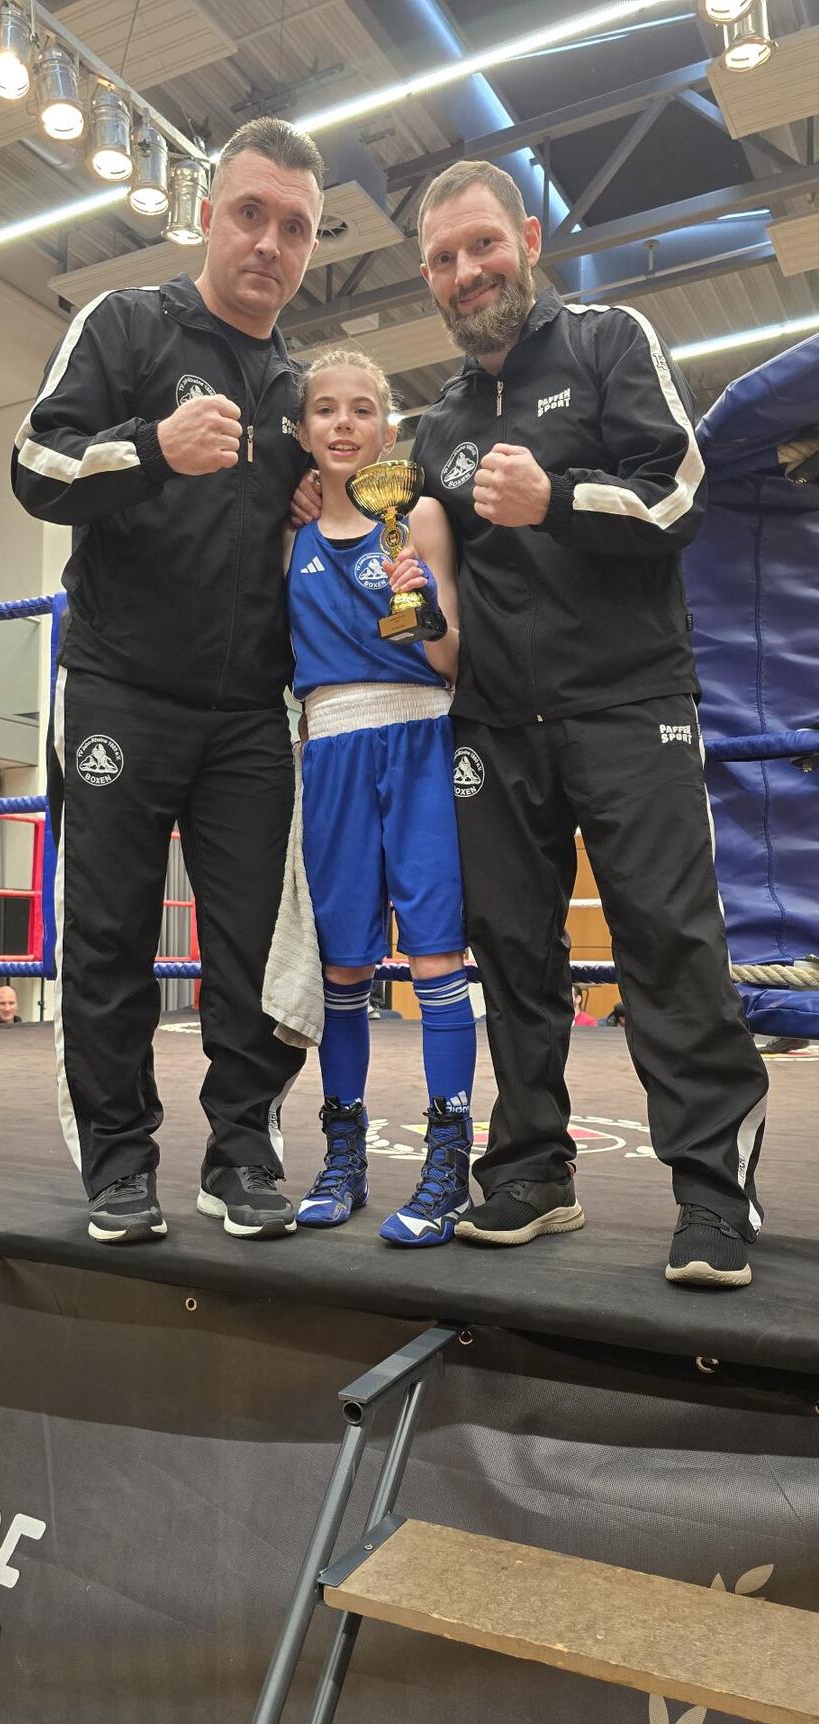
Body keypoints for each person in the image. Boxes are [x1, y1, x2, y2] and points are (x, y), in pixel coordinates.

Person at [408, 159, 769, 1287]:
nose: (466, 272)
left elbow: (679, 496)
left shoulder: (611, 341)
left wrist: (555, 498)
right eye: (442, 260)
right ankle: (531, 1171)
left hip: (627, 700)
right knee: (513, 952)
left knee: (667, 942)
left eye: (481, 244)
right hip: (492, 721)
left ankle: (712, 1193)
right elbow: (437, 576)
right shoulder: (439, 422)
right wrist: (409, 591)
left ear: (527, 238)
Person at [11, 117, 326, 1247]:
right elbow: (35, 465)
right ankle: (118, 1160)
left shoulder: (300, 389)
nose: (269, 243)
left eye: (295, 227)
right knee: (108, 936)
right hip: (119, 687)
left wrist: (320, 502)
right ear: (205, 214)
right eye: (250, 214)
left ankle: (241, 1154)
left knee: (249, 947)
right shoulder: (127, 325)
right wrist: (151, 445)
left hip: (250, 712)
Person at [288, 347, 477, 1246]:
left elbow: (450, 657)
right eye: (325, 409)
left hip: (419, 737)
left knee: (435, 956)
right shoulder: (289, 535)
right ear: (302, 431)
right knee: (342, 968)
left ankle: (448, 1166)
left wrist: (426, 605)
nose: (343, 423)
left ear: (389, 429)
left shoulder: (420, 515)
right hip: (329, 749)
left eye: (361, 408)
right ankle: (343, 1157)